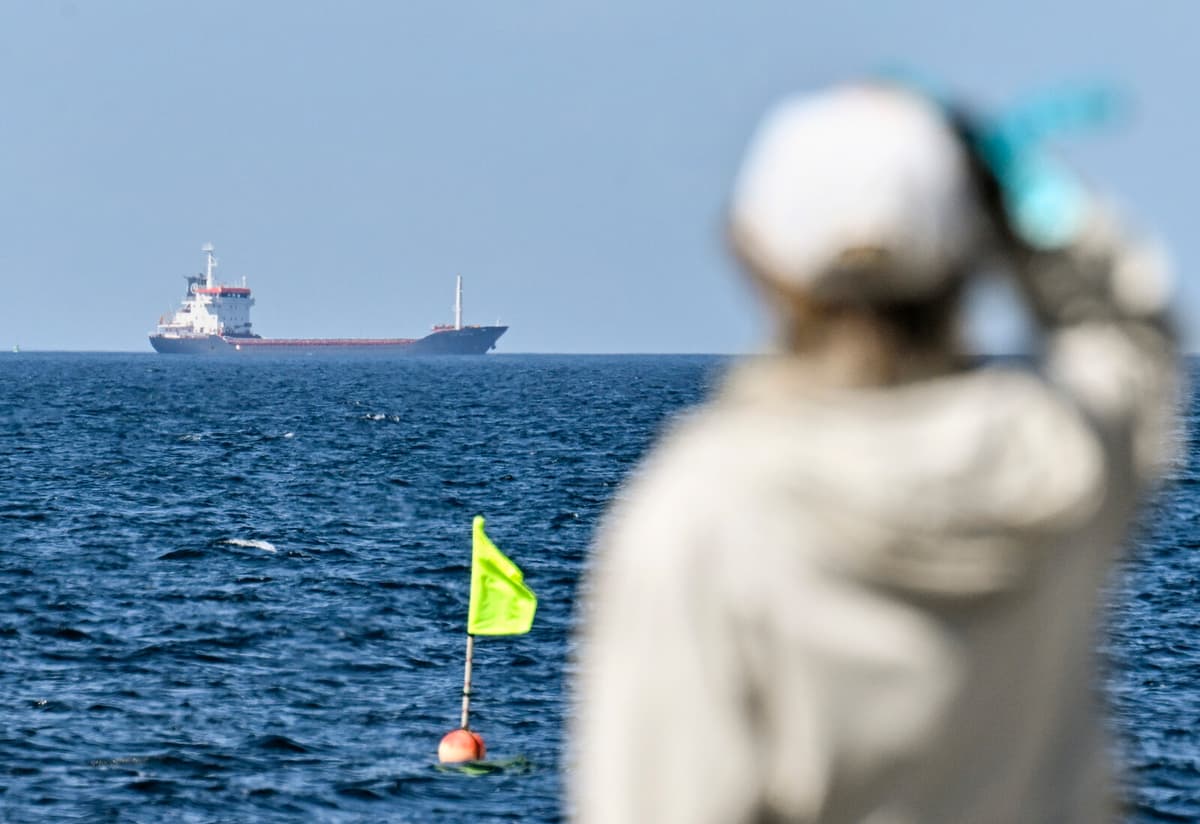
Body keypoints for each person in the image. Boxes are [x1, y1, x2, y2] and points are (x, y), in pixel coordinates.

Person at [570, 83, 1178, 823]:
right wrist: (1017, 204)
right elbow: (1131, 345)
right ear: (968, 255)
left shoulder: (703, 509)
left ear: (752, 255)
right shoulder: (1061, 458)